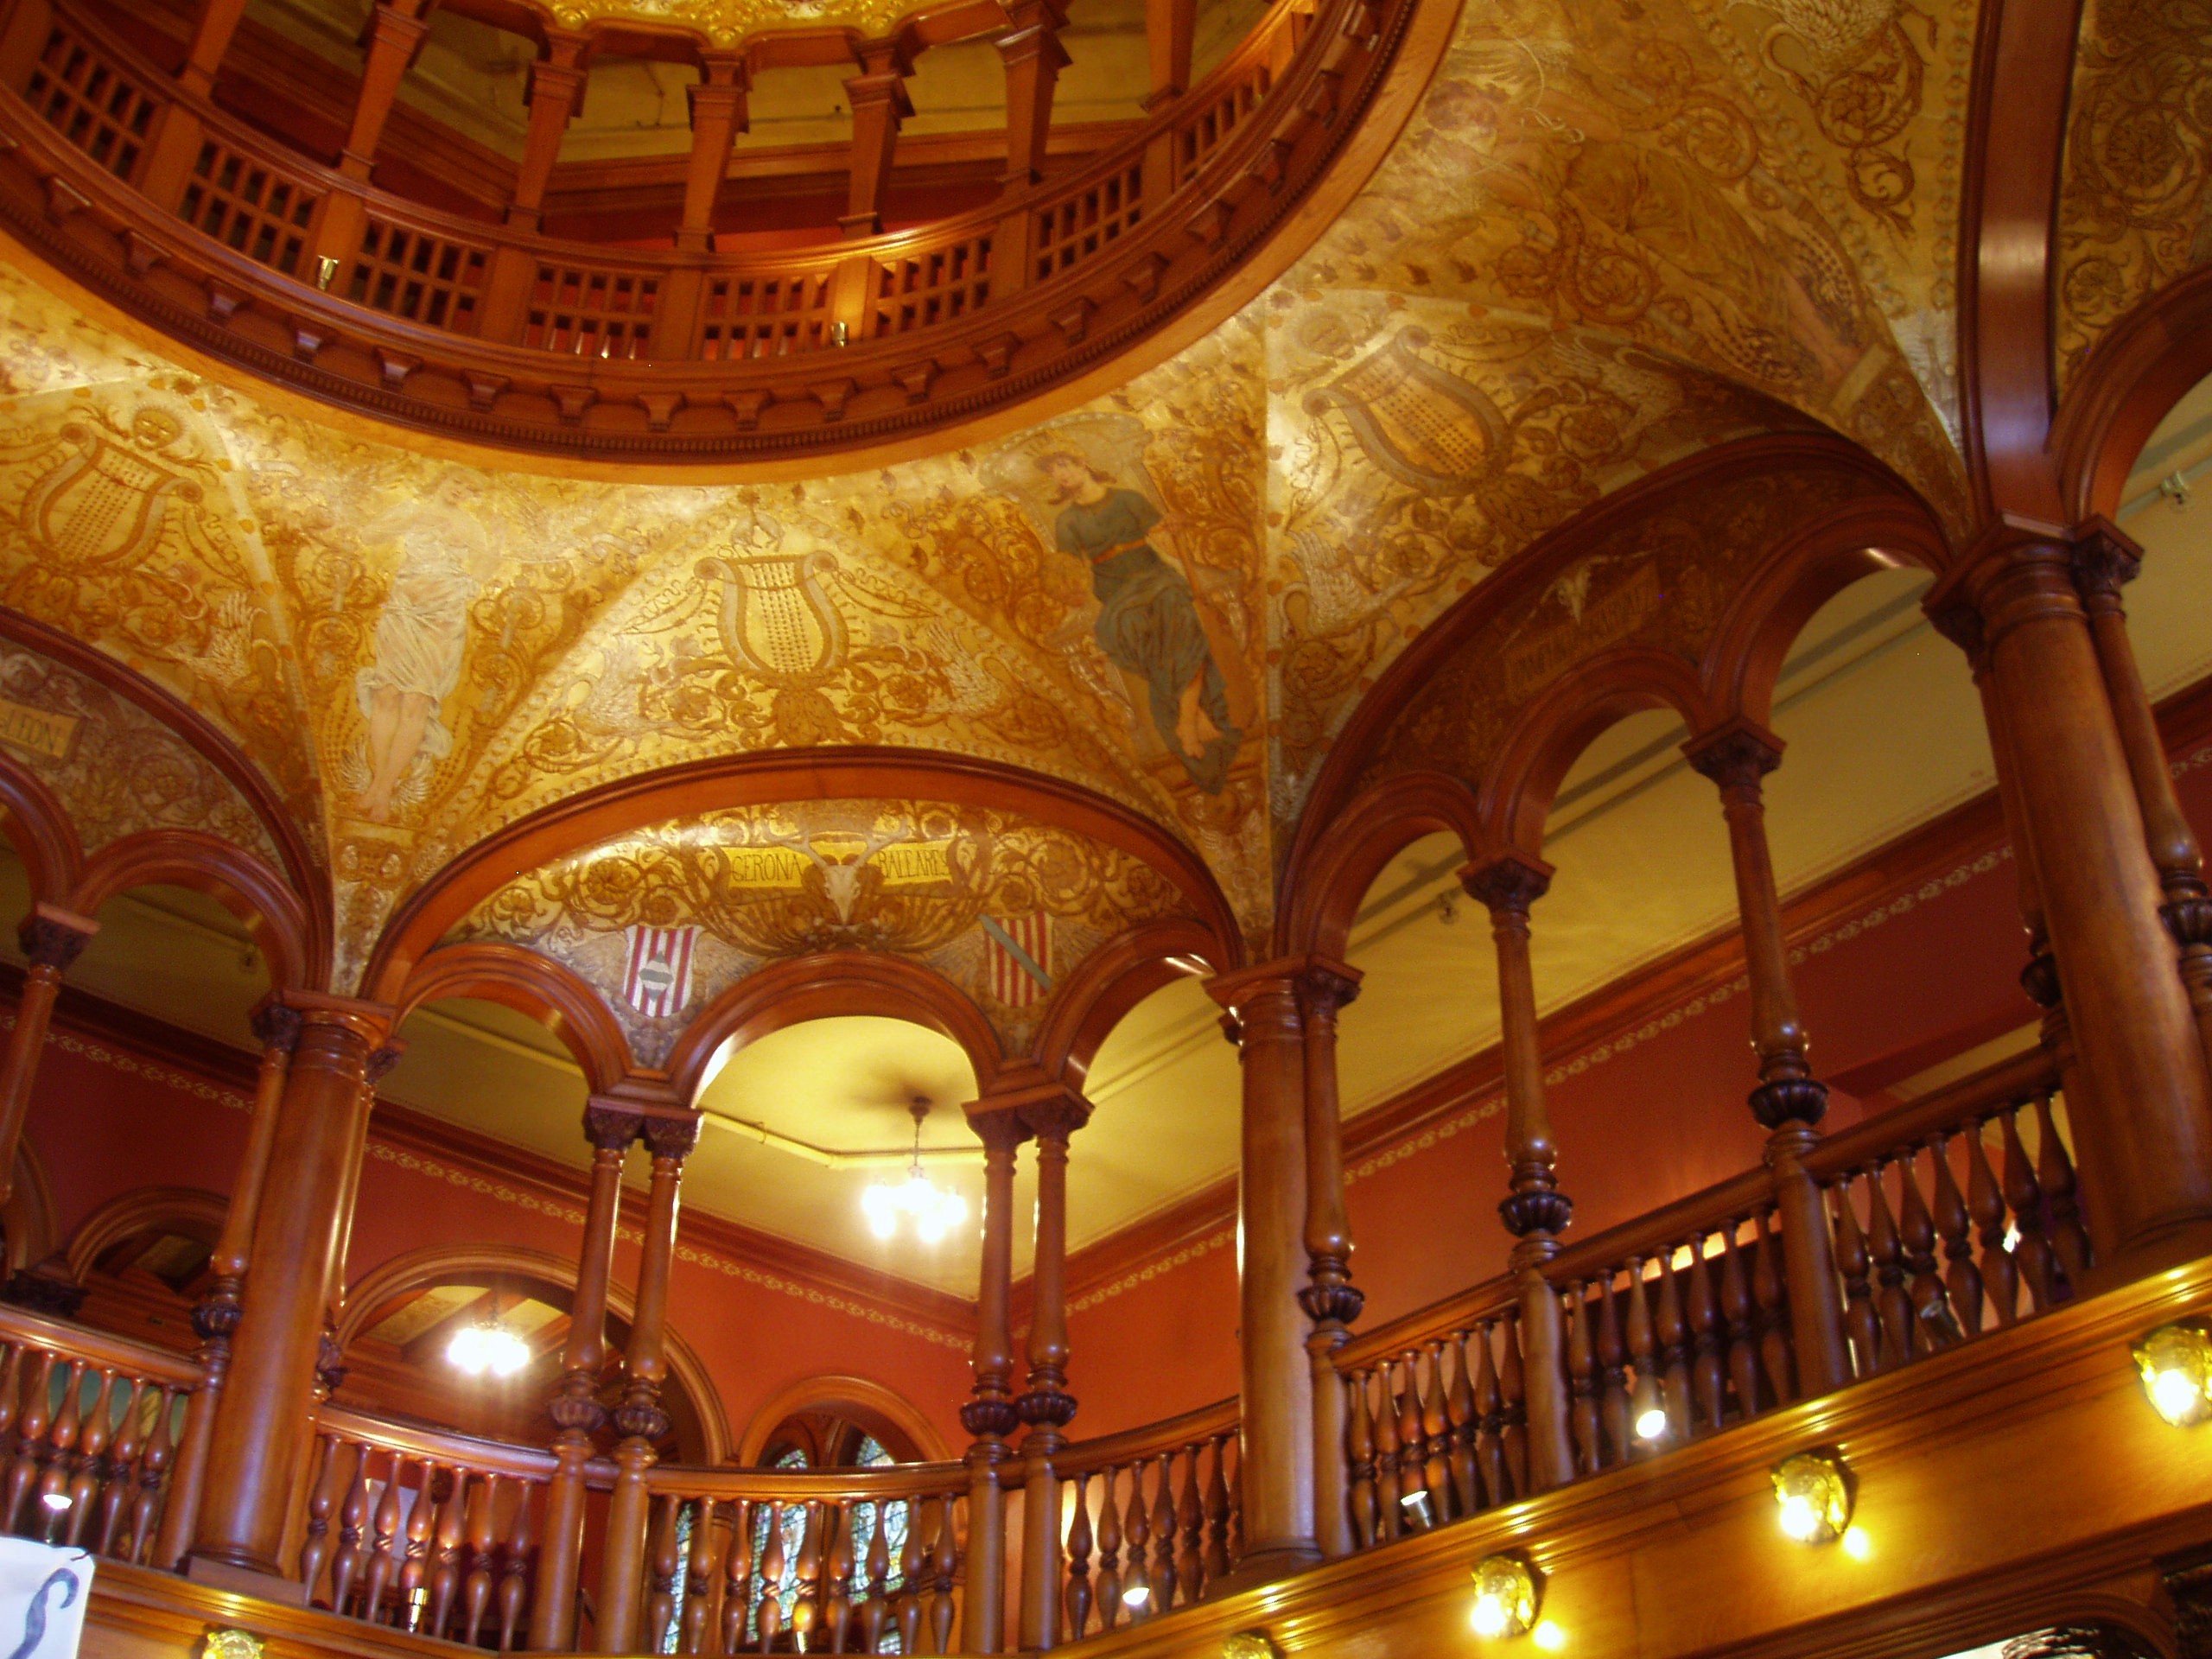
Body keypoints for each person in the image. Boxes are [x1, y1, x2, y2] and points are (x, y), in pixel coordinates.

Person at [1037, 450, 1241, 793]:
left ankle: (1187, 720)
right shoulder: (1067, 522)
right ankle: (1193, 714)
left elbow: (1162, 537)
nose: (1060, 475)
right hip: (1115, 592)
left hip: (1154, 575)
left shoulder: (1128, 499)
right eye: (1052, 471)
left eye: (1063, 465)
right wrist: (1066, 589)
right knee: (1123, 629)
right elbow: (1070, 572)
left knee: (1175, 609)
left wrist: (1173, 525)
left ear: (1082, 463)